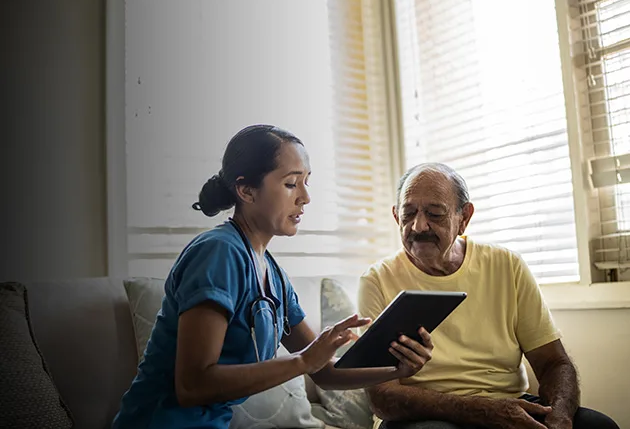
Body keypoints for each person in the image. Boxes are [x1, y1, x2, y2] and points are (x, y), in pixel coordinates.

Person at [112, 125, 434, 429]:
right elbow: (192, 385)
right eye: (292, 183)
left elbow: (325, 372)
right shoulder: (218, 254)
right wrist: (303, 361)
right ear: (246, 190)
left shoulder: (273, 274)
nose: (305, 197)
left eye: (307, 182)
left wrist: (397, 369)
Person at [358, 163, 620, 429]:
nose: (418, 225)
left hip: (507, 403)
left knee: (599, 426)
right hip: (423, 416)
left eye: (435, 214)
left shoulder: (507, 265)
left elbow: (554, 362)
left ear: (464, 218)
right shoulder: (377, 280)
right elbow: (382, 397)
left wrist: (560, 418)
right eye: (408, 213)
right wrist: (481, 411)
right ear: (395, 216)